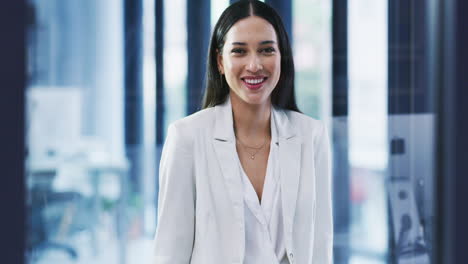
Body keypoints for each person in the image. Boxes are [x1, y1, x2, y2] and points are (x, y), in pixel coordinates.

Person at [153, 1, 332, 263]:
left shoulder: (311, 136)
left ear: (282, 56)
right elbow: (169, 253)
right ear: (220, 61)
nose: (254, 65)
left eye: (266, 50)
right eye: (239, 51)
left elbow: (320, 245)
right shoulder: (187, 137)